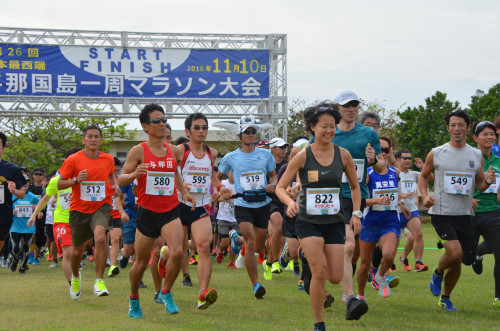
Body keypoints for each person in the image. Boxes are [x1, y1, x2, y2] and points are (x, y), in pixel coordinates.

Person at [276, 104, 362, 331]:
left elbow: (355, 187)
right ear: (312, 128)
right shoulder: (303, 156)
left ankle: (307, 256)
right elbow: (280, 187)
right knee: (320, 271)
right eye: (324, 126)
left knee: (334, 276)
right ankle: (319, 322)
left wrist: (356, 213)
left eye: (332, 127)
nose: (329, 131)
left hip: (334, 221)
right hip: (308, 221)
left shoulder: (343, 154)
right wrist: (290, 202)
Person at [118, 103, 195, 318]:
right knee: (141, 263)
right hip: (147, 212)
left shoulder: (172, 150)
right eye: (157, 121)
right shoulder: (138, 151)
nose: (162, 124)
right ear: (145, 126)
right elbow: (121, 178)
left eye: (164, 120)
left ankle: (166, 292)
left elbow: (175, 174)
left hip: (170, 210)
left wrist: (184, 192)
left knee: (178, 252)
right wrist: (134, 175)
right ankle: (133, 298)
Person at [310, 91, 382, 319]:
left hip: (355, 196)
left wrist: (374, 160)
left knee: (350, 251)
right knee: (348, 247)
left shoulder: (368, 133)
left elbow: (380, 168)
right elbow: (307, 159)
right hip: (329, 195)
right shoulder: (327, 132)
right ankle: (350, 298)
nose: (351, 109)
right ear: (337, 108)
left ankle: (340, 286)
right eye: (346, 105)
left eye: (355, 105)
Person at [419, 109, 496, 311]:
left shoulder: (476, 154)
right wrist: (425, 196)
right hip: (442, 213)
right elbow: (422, 176)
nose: (456, 128)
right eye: (452, 125)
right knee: (454, 253)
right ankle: (437, 272)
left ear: (468, 127)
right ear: (447, 128)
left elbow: (479, 186)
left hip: (465, 214)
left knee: (460, 259)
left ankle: (445, 297)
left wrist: (487, 182)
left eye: (461, 124)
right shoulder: (436, 153)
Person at [166, 112, 226, 309]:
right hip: (178, 205)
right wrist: (182, 187)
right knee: (178, 250)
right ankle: (164, 266)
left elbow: (211, 176)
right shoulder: (179, 151)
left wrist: (219, 188)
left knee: (204, 246)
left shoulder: (212, 153)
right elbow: (168, 171)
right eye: (197, 128)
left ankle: (203, 293)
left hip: (200, 206)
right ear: (187, 131)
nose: (201, 131)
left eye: (204, 127)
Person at [217, 115, 277, 299]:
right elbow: (217, 176)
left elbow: (273, 176)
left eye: (253, 132)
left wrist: (273, 185)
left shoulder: (266, 154)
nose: (251, 135)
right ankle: (256, 285)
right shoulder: (231, 157)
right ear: (239, 135)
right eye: (247, 132)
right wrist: (221, 188)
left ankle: (236, 239)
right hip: (242, 203)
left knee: (258, 246)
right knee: (250, 243)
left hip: (263, 204)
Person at [57, 125, 120, 300]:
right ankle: (76, 277)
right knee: (78, 251)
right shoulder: (73, 160)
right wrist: (76, 180)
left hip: (101, 206)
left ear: (101, 140)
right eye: (90, 136)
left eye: (96, 137)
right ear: (83, 140)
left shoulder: (108, 159)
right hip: (79, 209)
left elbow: (111, 176)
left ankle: (99, 281)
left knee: (100, 238)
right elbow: (60, 184)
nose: (93, 139)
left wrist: (115, 186)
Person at [356, 137, 411, 299]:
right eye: (380, 149)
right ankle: (360, 296)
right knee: (365, 264)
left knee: (388, 256)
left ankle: (380, 276)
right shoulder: (367, 173)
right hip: (370, 222)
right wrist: (376, 201)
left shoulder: (396, 172)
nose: (384, 153)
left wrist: (401, 204)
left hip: (390, 222)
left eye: (387, 150)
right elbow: (358, 201)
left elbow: (395, 194)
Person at [28, 147, 80, 283]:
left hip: (80, 221)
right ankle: (72, 283)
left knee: (77, 252)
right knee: (68, 252)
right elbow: (45, 199)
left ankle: (75, 272)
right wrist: (34, 214)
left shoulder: (85, 180)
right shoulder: (56, 181)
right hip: (62, 221)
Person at [468, 121, 500, 308]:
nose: (490, 137)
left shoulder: (498, 160)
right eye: (485, 134)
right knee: (465, 258)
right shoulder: (469, 158)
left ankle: (498, 296)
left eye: (492, 134)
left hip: (494, 212)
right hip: (471, 213)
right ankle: (477, 253)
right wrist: (467, 199)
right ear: (475, 138)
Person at [396, 149, 431, 272]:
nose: (408, 160)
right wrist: (401, 195)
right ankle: (387, 264)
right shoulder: (393, 173)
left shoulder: (414, 174)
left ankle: (418, 262)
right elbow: (388, 190)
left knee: (418, 234)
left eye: (409, 158)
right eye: (405, 158)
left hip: (412, 210)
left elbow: (430, 177)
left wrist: (423, 167)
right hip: (395, 211)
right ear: (398, 159)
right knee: (393, 241)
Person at [263, 137, 289, 278]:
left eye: (285, 147)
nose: (284, 149)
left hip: (284, 201)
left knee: (277, 234)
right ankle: (275, 262)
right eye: (281, 147)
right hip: (269, 202)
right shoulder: (265, 164)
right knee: (278, 228)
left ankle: (269, 261)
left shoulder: (288, 165)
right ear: (272, 149)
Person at [0, 132, 28, 254]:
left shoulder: (12, 169)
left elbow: (22, 194)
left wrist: (14, 190)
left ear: (3, 149)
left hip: (2, 217)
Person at [10, 185, 40, 273]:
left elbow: (41, 206)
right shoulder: (12, 195)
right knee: (16, 247)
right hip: (15, 226)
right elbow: (4, 207)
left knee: (26, 247)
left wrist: (37, 210)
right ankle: (15, 260)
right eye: (22, 183)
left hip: (28, 226)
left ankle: (22, 267)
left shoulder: (33, 197)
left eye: (26, 183)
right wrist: (10, 211)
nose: (24, 185)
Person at [108, 157, 127, 277]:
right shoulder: (102, 179)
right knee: (100, 240)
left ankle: (112, 266)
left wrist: (122, 206)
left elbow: (120, 197)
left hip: (115, 215)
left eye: (118, 171)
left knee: (115, 238)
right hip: (102, 214)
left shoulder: (120, 181)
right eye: (114, 171)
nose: (116, 173)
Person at [28, 167, 47, 265]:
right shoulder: (29, 187)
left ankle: (36, 256)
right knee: (32, 235)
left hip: (42, 215)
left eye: (40, 174)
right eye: (36, 174)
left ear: (43, 176)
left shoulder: (46, 188)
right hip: (30, 214)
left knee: (40, 236)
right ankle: (30, 254)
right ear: (32, 176)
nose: (38, 176)